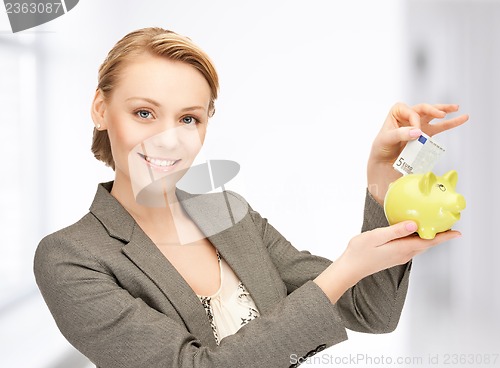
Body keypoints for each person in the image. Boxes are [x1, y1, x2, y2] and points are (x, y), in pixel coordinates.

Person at [34, 27, 468, 368]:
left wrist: (381, 182)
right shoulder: (71, 256)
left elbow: (371, 311)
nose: (168, 140)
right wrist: (343, 270)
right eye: (144, 113)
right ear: (100, 109)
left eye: (189, 118)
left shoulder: (226, 213)